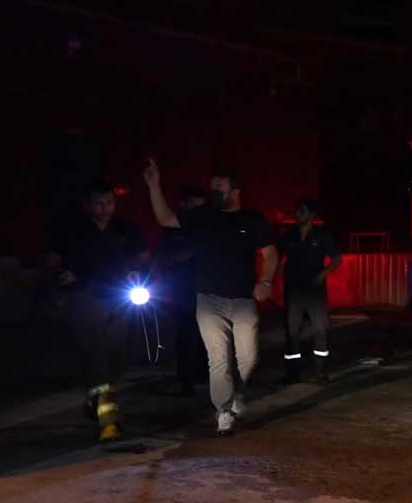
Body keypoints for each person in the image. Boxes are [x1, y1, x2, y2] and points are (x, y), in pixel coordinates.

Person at [143, 160, 278, 436]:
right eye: (212, 185)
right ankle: (223, 411)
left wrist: (265, 280)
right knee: (217, 359)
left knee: (248, 359)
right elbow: (165, 218)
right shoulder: (202, 216)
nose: (214, 189)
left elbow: (270, 253)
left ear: (235, 190)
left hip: (242, 300)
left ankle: (237, 393)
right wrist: (154, 185)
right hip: (208, 301)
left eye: (220, 185)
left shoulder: (253, 220)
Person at [46, 181, 151, 443]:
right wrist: (61, 275)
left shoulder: (125, 228)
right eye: (99, 203)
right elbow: (52, 260)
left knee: (118, 354)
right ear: (87, 204)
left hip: (121, 296)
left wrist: (139, 271)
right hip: (84, 296)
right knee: (96, 352)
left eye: (109, 203)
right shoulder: (72, 230)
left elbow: (145, 256)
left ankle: (94, 397)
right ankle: (108, 419)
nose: (105, 209)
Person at [277, 198, 341, 384]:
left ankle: (320, 371)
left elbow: (337, 258)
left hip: (315, 291)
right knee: (292, 332)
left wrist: (323, 273)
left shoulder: (322, 235)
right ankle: (292, 373)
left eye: (302, 211)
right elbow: (277, 257)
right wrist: (275, 277)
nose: (298, 215)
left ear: (312, 215)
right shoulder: (289, 235)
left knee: (321, 329)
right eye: (297, 211)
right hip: (294, 291)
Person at [155, 187, 209, 395]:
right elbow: (162, 257)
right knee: (186, 334)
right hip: (182, 291)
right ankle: (187, 380)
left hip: (206, 289)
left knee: (207, 333)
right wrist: (182, 256)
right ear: (183, 205)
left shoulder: (206, 228)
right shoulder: (171, 230)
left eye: (201, 208)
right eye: (193, 207)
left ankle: (204, 374)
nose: (197, 213)